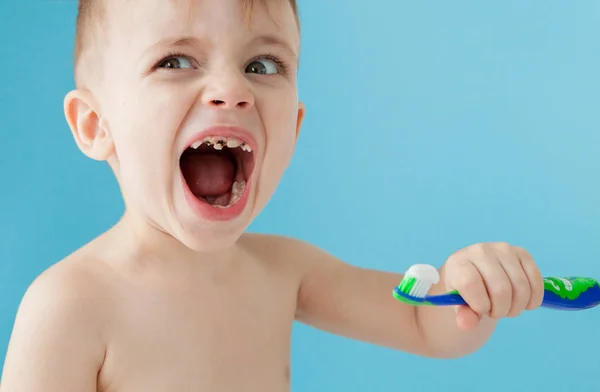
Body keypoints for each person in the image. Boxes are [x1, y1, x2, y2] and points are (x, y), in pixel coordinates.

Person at [0, 0, 545, 391]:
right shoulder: (69, 306)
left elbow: (425, 327)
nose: (233, 91)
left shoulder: (285, 272)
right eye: (176, 61)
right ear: (96, 125)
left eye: (262, 66)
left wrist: (473, 289)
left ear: (294, 130)